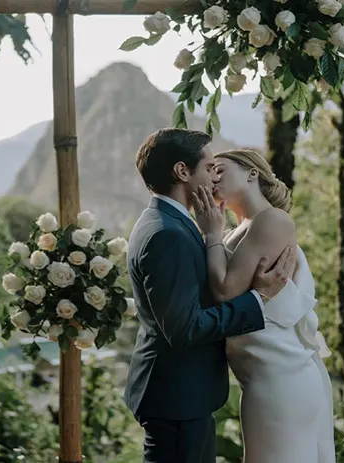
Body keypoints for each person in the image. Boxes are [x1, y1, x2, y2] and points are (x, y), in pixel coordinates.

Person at [124, 128, 300, 463]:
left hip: (177, 393)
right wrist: (259, 299)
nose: (214, 178)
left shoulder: (166, 222)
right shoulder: (168, 234)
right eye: (208, 168)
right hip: (177, 397)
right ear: (182, 171)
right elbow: (185, 328)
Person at [192, 148, 335, 463]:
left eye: (219, 169)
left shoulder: (272, 220)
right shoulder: (238, 230)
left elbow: (227, 292)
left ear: (252, 173)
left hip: (281, 375)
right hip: (259, 375)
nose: (212, 177)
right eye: (208, 171)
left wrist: (211, 233)